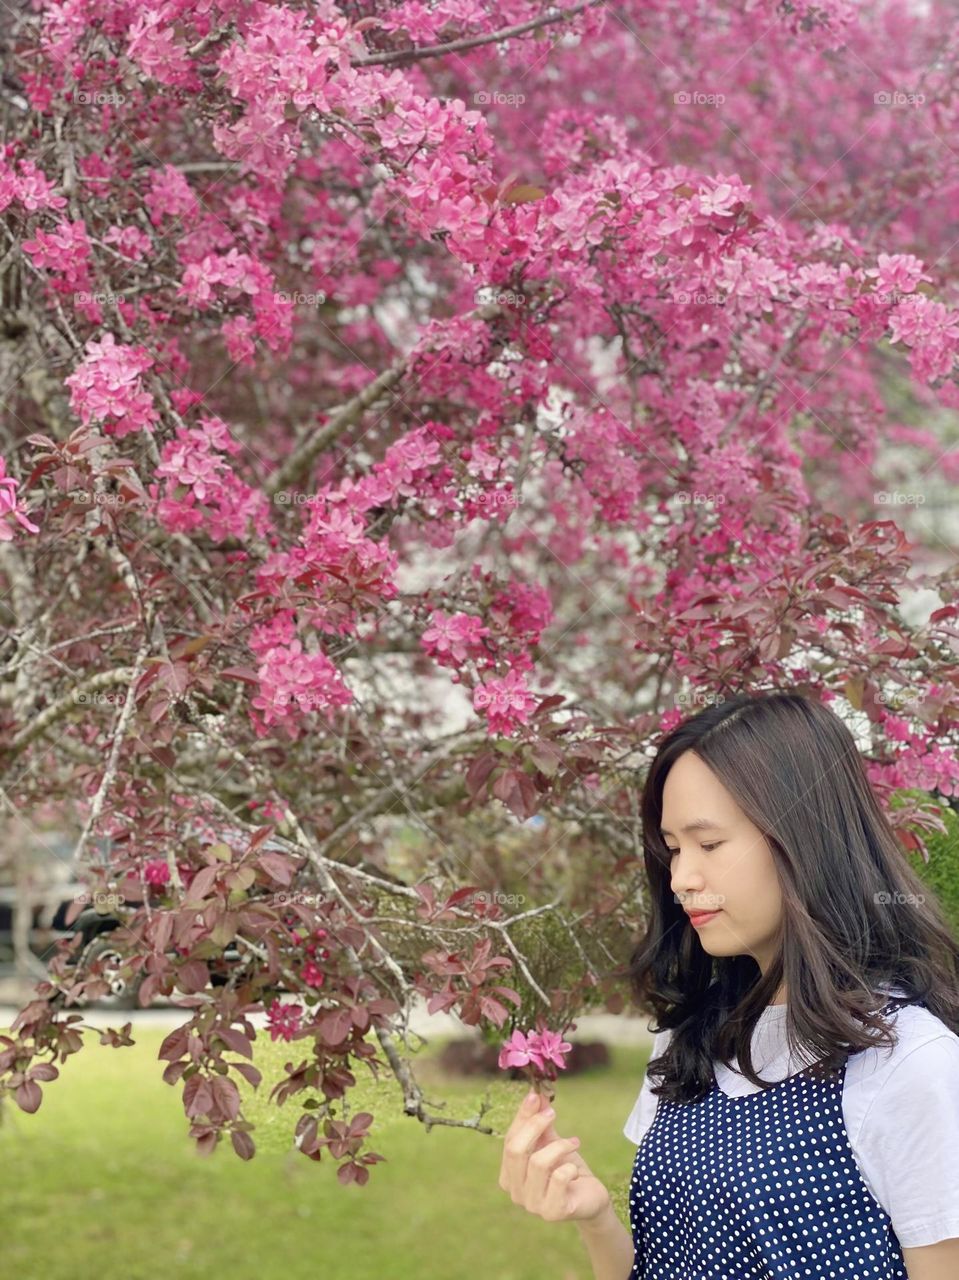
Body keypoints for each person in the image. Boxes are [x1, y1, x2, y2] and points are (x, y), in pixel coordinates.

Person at [497, 689, 959, 1279]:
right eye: (673, 849)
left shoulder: (906, 1063)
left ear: (805, 839)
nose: (683, 878)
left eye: (709, 844)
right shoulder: (689, 1038)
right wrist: (594, 1219)